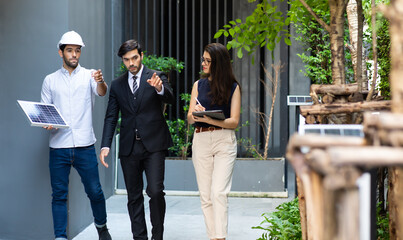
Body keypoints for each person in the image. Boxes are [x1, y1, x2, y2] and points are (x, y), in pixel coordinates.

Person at [99, 39, 174, 240]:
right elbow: (111, 116)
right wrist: (105, 145)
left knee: (156, 191)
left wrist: (159, 89)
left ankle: (157, 236)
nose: (131, 63)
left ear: (141, 56)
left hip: (154, 145)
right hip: (129, 148)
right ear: (122, 61)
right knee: (133, 197)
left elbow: (170, 98)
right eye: (126, 60)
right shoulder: (116, 85)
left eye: (134, 58)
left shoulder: (157, 76)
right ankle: (139, 237)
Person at [41, 31, 112, 240]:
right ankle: (60, 237)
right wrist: (47, 123)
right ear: (60, 52)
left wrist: (101, 81)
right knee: (59, 196)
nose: (74, 55)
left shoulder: (90, 75)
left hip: (84, 145)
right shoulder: (50, 81)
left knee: (95, 191)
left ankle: (102, 228)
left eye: (77, 51)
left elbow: (101, 91)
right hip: (58, 146)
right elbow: (46, 111)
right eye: (70, 50)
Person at [187, 43, 241, 240]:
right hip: (201, 139)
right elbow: (190, 118)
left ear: (218, 64)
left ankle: (220, 237)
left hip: (223, 141)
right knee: (206, 196)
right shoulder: (197, 85)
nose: (203, 63)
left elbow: (234, 121)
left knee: (219, 192)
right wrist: (196, 113)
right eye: (203, 59)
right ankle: (213, 236)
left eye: (207, 61)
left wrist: (209, 118)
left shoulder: (233, 87)